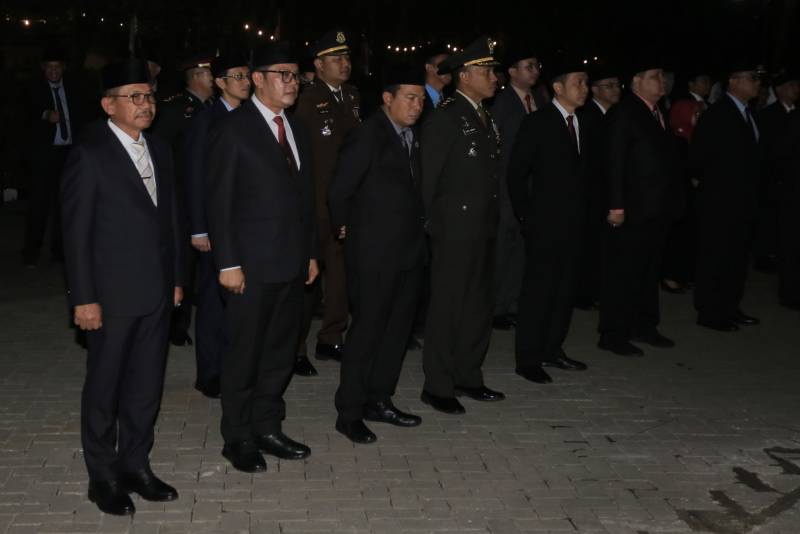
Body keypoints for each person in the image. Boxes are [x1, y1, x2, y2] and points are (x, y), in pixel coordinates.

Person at [61, 59, 185, 516]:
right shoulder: (90, 154)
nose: (145, 104)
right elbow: (76, 234)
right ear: (108, 105)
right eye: (134, 97)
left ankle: (136, 465)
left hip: (156, 292)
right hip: (110, 296)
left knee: (146, 386)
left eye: (148, 95)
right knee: (105, 388)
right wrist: (84, 298)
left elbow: (171, 219)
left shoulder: (160, 148)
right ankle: (103, 477)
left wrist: (177, 279)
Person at [206, 41, 318, 473]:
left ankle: (268, 426)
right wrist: (228, 263)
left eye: (295, 75)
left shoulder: (297, 128)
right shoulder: (233, 129)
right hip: (249, 268)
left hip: (291, 262)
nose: (292, 83)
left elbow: (306, 199)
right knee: (245, 354)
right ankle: (237, 436)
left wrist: (310, 253)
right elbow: (220, 202)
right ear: (257, 79)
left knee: (279, 351)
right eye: (283, 75)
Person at [328, 63, 427, 444]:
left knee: (396, 333)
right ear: (388, 98)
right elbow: (340, 190)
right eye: (410, 98)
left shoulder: (412, 136)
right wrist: (345, 227)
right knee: (368, 332)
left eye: (421, 100)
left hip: (408, 252)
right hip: (373, 255)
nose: (417, 106)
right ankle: (349, 411)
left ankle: (379, 399)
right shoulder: (367, 135)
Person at [420, 36, 504, 415]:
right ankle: (438, 385)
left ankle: (468, 375)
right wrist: (428, 227)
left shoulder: (485, 116)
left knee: (478, 304)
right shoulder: (447, 116)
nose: (494, 78)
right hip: (453, 229)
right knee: (448, 306)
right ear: (465, 76)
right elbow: (429, 178)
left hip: (482, 226)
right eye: (487, 71)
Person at [507, 59, 591, 384]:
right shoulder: (538, 122)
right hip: (544, 224)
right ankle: (528, 358)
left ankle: (552, 349)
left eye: (586, 82)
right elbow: (516, 173)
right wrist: (526, 216)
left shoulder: (585, 121)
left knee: (565, 290)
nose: (584, 89)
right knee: (539, 291)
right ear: (558, 87)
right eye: (578, 82)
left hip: (575, 223)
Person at [597, 59, 684, 357]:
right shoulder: (624, 112)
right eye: (655, 76)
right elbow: (614, 162)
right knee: (624, 272)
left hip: (656, 209)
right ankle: (613, 333)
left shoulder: (657, 112)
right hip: (632, 210)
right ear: (637, 82)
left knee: (648, 272)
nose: (662, 81)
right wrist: (616, 205)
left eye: (662, 75)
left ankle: (644, 325)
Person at [184, 52, 251, 399]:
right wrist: (199, 227)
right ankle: (209, 373)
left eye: (247, 75)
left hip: (245, 225)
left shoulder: (252, 116)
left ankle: (236, 367)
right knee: (212, 301)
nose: (245, 82)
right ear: (221, 82)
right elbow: (195, 173)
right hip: (214, 225)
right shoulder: (206, 119)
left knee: (239, 301)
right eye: (237, 76)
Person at [294, 30, 362, 374]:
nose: (344, 64)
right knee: (307, 280)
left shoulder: (352, 95)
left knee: (340, 275)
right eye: (336, 59)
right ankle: (295, 349)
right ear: (319, 65)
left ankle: (331, 338)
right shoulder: (306, 99)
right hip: (315, 201)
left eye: (346, 58)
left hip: (344, 202)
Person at [692, 61, 763, 331]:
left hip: (743, 201)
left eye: (757, 79)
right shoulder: (718, 114)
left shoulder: (747, 113)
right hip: (721, 201)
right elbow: (700, 157)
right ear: (733, 81)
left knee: (736, 258)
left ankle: (730, 306)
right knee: (716, 256)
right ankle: (710, 312)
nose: (757, 83)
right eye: (751, 78)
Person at [153, 52, 215, 347]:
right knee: (183, 264)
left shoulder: (213, 108)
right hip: (182, 198)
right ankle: (177, 324)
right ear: (197, 76)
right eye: (210, 74)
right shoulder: (175, 109)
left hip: (207, 198)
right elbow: (163, 154)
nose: (214, 79)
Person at [23, 45, 93, 267]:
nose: (54, 71)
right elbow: (23, 113)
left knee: (64, 203)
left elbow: (85, 114)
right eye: (49, 68)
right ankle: (31, 252)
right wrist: (45, 114)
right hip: (45, 155)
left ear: (63, 68)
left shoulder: (74, 88)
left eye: (57, 67)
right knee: (39, 203)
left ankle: (58, 251)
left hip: (68, 153)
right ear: (43, 69)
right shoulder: (34, 89)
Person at [490, 47, 544, 331]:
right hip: (507, 185)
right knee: (504, 246)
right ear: (512, 71)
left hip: (532, 185)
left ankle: (513, 303)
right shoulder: (501, 102)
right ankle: (495, 307)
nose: (535, 71)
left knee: (522, 246)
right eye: (528, 66)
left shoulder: (540, 99)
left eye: (536, 66)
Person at [574, 66, 622, 310]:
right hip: (591, 192)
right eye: (609, 86)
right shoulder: (587, 116)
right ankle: (585, 293)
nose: (615, 90)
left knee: (605, 245)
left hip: (607, 191)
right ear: (595, 90)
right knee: (590, 244)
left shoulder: (616, 115)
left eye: (617, 85)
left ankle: (599, 289)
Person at [753, 69, 799, 273]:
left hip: (793, 180)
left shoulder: (796, 113)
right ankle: (766, 256)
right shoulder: (768, 116)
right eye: (792, 85)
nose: (796, 89)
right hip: (773, 179)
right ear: (780, 90)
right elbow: (766, 150)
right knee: (770, 220)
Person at [660, 99, 703, 294]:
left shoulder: (694, 136)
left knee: (688, 237)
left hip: (690, 197)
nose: (698, 117)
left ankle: (683, 274)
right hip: (679, 196)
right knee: (676, 238)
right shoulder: (676, 139)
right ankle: (670, 277)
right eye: (694, 113)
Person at [775, 106, 800, 310]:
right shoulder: (795, 119)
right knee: (793, 244)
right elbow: (783, 154)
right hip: (794, 192)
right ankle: (791, 294)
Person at [422, 49, 452, 120]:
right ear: (429, 68)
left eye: (450, 64)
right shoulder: (418, 100)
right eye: (443, 64)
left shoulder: (450, 100)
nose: (449, 69)